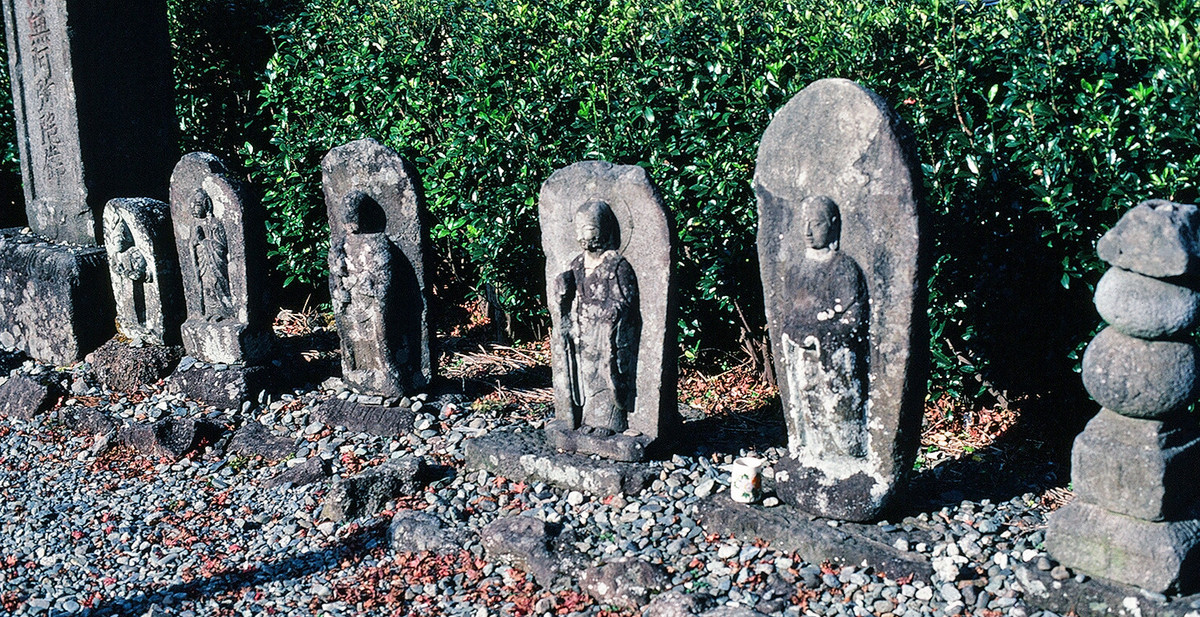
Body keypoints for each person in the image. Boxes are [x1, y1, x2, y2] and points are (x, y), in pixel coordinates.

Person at [781, 195, 869, 459]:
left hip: (833, 358)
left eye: (816, 224)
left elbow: (854, 322)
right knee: (808, 404)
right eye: (804, 223)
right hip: (802, 354)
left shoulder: (844, 268)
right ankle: (815, 454)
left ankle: (847, 455)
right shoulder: (796, 269)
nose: (808, 231)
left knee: (836, 410)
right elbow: (789, 315)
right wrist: (796, 333)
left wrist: (820, 334)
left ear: (833, 225)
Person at [554, 200, 640, 435]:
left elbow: (626, 303)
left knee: (606, 375)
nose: (585, 236)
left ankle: (611, 422)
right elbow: (569, 295)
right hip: (582, 329)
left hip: (606, 334)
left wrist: (609, 314)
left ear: (605, 229)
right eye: (580, 229)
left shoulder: (617, 264)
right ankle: (587, 419)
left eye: (590, 228)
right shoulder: (578, 264)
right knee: (586, 374)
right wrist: (562, 289)